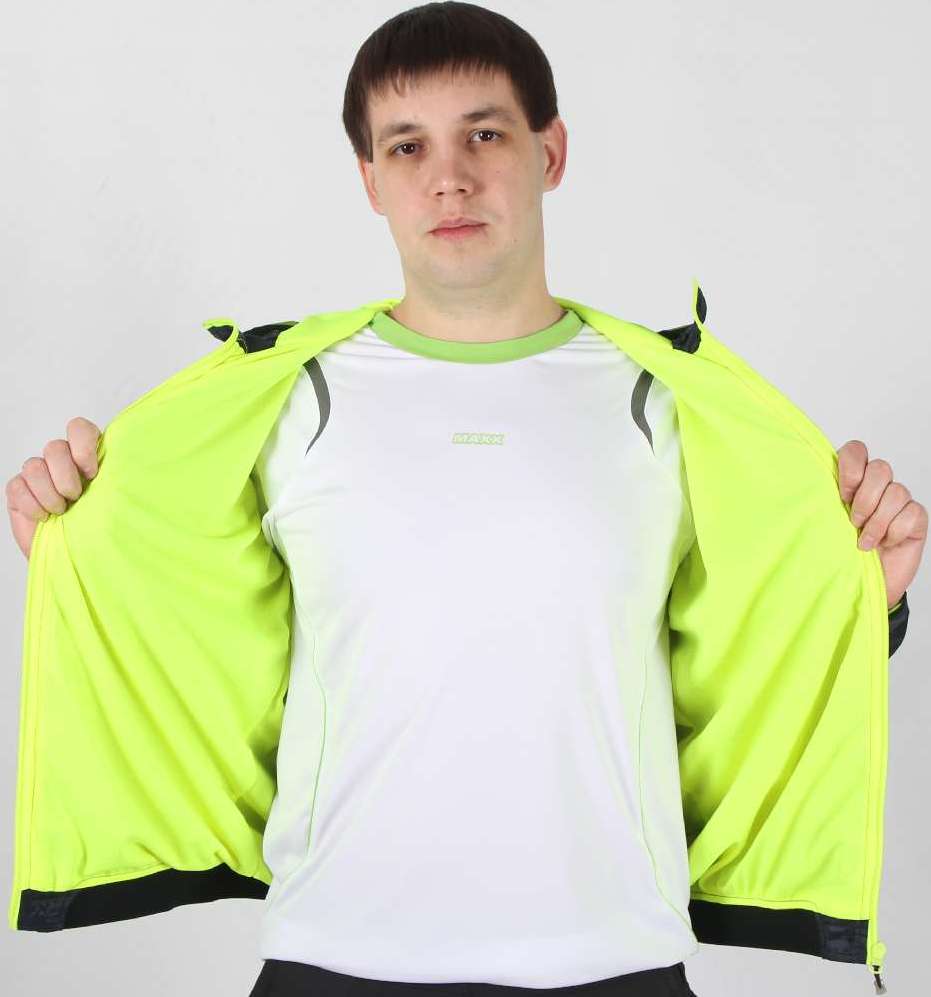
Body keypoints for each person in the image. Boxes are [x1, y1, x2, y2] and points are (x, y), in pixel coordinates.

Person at [5, 4, 924, 997]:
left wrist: (862, 595)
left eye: (483, 134)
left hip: (612, 960)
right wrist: (80, 543)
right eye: (407, 146)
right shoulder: (277, 400)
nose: (448, 177)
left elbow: (751, 640)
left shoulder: (675, 402)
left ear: (549, 152)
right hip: (333, 958)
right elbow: (193, 633)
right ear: (370, 179)